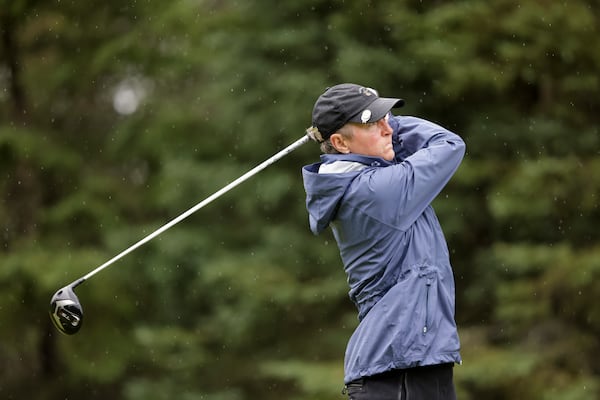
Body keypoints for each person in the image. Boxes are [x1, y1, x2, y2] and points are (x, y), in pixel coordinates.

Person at [302, 83, 465, 400]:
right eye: (372, 122)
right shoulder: (373, 192)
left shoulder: (368, 177)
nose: (387, 129)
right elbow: (448, 144)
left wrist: (376, 123)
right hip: (397, 374)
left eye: (388, 119)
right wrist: (396, 126)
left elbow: (386, 149)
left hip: (414, 364)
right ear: (339, 142)